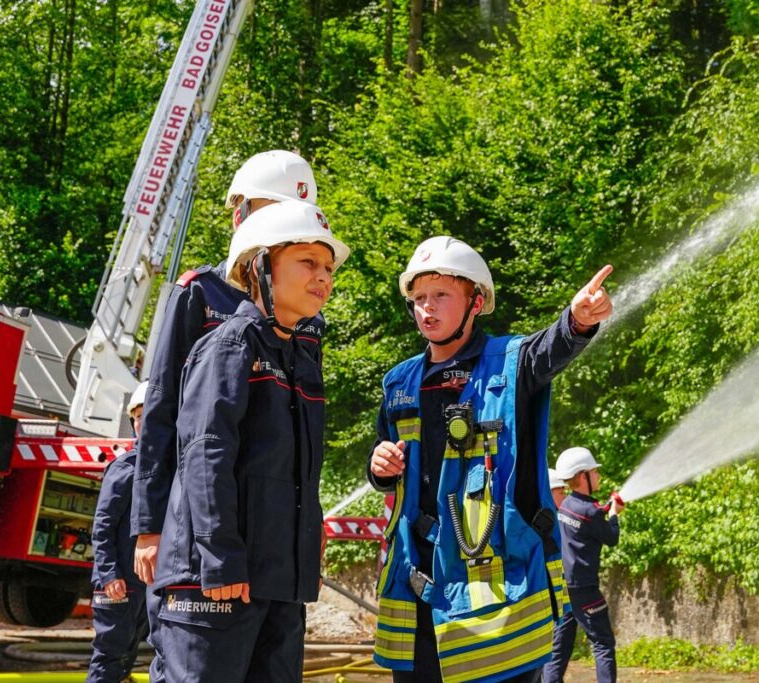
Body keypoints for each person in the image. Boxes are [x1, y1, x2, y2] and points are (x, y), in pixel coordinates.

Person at [367, 236, 614, 683]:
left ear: (475, 302)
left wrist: (577, 322)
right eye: (419, 298)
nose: (427, 307)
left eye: (441, 295)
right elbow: (391, 466)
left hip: (496, 599)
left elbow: (549, 350)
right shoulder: (399, 383)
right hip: (418, 591)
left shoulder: (511, 364)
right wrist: (379, 467)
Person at [131, 150, 322, 681]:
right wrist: (149, 526)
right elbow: (166, 413)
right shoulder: (201, 293)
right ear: (241, 214)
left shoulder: (307, 319)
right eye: (267, 210)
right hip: (197, 530)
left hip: (269, 552)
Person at [543, 447, 624, 683]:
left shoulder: (567, 504)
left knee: (560, 645)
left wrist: (606, 508)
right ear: (582, 476)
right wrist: (615, 514)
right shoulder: (590, 511)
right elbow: (611, 537)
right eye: (594, 471)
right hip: (585, 588)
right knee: (603, 643)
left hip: (564, 586)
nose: (598, 475)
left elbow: (588, 518)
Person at [87, 382, 150, 683]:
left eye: (146, 415)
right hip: (118, 583)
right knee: (109, 657)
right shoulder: (126, 467)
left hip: (141, 584)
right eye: (136, 417)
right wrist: (109, 574)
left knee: (127, 655)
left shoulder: (159, 469)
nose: (140, 423)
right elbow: (103, 526)